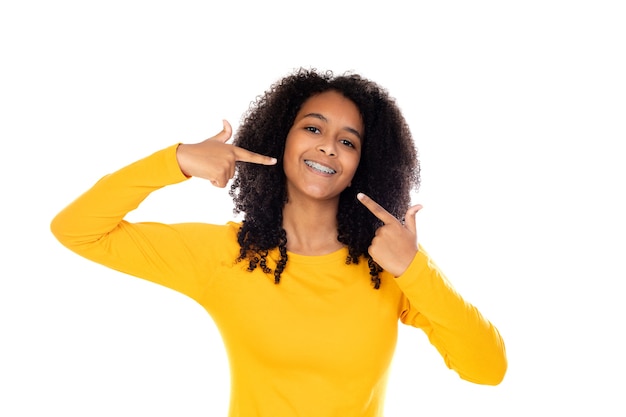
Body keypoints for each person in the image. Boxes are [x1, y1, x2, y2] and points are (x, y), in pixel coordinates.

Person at [51, 68, 507, 416]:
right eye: (313, 128)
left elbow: (487, 370)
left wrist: (414, 268)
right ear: (281, 139)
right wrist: (177, 161)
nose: (328, 146)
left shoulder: (386, 266)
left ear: (364, 163)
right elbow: (76, 229)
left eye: (348, 141)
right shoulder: (226, 256)